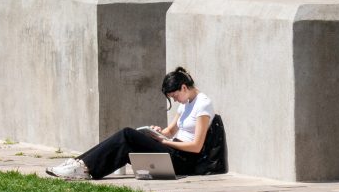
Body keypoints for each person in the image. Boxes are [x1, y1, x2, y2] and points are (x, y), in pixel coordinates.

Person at [46, 68, 214, 180]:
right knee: (128, 144)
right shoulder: (185, 103)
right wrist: (158, 132)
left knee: (127, 134)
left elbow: (196, 146)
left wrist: (165, 142)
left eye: (174, 96)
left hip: (184, 160)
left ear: (184, 88)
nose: (175, 100)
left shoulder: (202, 104)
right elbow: (170, 131)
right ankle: (81, 165)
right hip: (174, 150)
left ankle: (81, 166)